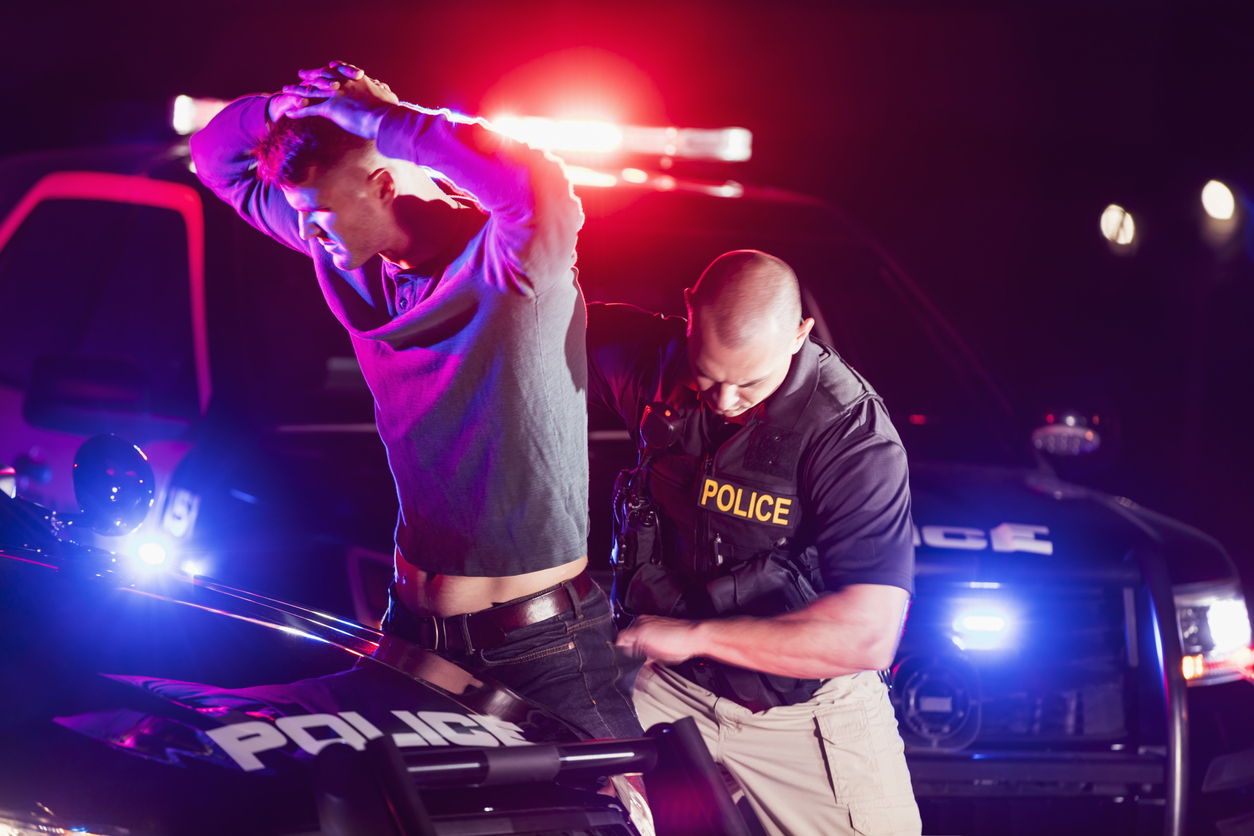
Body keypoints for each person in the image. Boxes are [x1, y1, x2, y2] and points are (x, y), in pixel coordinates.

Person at [190, 61, 639, 740]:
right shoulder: (346, 252)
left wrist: (380, 118)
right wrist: (285, 105)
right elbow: (212, 158)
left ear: (381, 183)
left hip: (539, 650)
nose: (305, 233)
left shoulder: (512, 263)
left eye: (318, 218)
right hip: (411, 635)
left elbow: (539, 184)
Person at [587, 250, 921, 835]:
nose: (722, 400)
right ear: (688, 310)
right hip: (664, 686)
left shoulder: (852, 435)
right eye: (710, 374)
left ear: (799, 336)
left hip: (806, 710)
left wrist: (692, 636)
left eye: (749, 383)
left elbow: (866, 634)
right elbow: (521, 317)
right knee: (551, 800)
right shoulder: (647, 358)